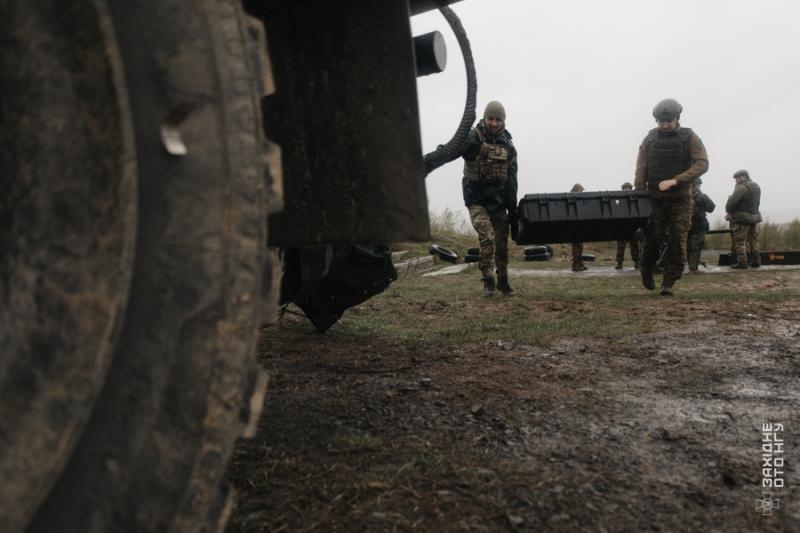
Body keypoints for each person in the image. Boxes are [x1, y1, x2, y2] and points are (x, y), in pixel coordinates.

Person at [634, 98, 709, 295]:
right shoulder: (650, 139)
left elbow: (702, 163)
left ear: (677, 119)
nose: (664, 125)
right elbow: (641, 166)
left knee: (678, 240)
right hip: (655, 199)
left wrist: (677, 180)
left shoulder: (689, 137)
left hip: (681, 199)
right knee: (653, 239)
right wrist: (640, 191)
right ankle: (647, 271)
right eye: (661, 122)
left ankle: (669, 282)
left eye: (668, 121)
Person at [461, 101, 518, 295]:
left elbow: (512, 178)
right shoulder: (473, 137)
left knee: (502, 242)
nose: (494, 123)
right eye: (491, 119)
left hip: (498, 201)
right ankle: (488, 281)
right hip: (476, 200)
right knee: (488, 238)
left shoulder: (508, 145)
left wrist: (513, 207)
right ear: (485, 119)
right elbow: (455, 149)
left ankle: (503, 281)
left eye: (498, 119)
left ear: (503, 121)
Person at [725, 169, 762, 269]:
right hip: (754, 217)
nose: (736, 181)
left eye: (737, 178)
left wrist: (729, 211)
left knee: (740, 241)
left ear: (743, 177)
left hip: (743, 219)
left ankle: (742, 263)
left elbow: (730, 203)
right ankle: (756, 261)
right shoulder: (756, 186)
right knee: (754, 240)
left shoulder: (742, 188)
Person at [686, 178, 715, 272]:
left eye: (697, 185)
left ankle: (693, 267)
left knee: (693, 246)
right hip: (695, 225)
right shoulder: (700, 197)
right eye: (695, 185)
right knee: (693, 247)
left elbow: (711, 208)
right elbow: (711, 208)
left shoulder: (694, 197)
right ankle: (693, 267)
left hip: (695, 225)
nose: (696, 187)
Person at [615, 182, 641, 270]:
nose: (627, 189)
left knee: (635, 247)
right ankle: (619, 263)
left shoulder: (634, 200)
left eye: (628, 188)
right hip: (622, 227)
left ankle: (637, 262)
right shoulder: (619, 201)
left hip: (633, 227)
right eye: (625, 188)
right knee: (620, 247)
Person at [570, 183, 588, 271]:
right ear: (577, 190)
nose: (582, 192)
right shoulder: (571, 198)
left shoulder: (579, 199)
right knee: (576, 248)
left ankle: (580, 264)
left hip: (579, 226)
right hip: (574, 226)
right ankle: (575, 265)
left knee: (580, 247)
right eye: (581, 190)